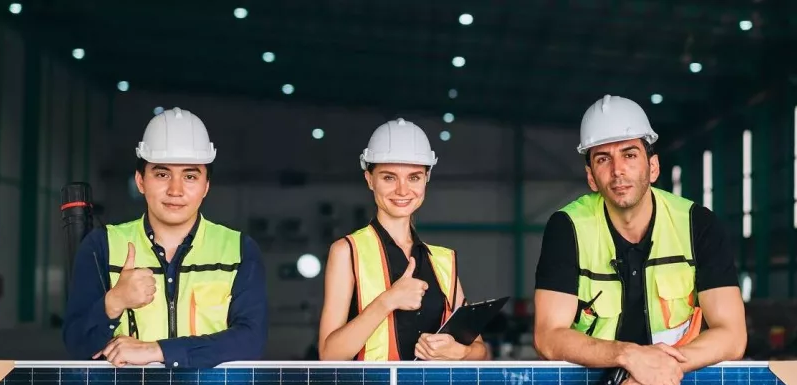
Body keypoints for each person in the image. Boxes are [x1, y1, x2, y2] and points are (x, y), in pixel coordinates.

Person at [533, 95, 747, 385]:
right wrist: (630, 356)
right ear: (591, 176)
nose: (618, 170)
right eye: (603, 158)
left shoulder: (696, 224)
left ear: (654, 166)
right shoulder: (567, 228)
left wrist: (659, 368)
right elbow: (548, 337)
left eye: (630, 154)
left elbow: (732, 336)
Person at [63, 107, 268, 368]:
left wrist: (159, 350)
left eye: (190, 176)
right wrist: (114, 302)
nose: (175, 190)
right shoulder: (101, 245)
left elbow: (251, 341)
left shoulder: (240, 250)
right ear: (140, 181)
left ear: (206, 186)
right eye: (162, 174)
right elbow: (77, 345)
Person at [318, 118, 489, 361]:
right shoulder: (347, 250)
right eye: (389, 177)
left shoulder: (443, 260)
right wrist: (387, 301)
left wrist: (461, 352)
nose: (402, 190)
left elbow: (481, 351)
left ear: (427, 178)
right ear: (369, 179)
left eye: (414, 177)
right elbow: (329, 355)